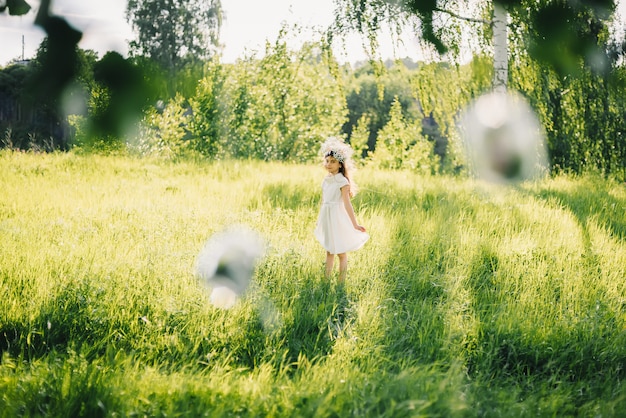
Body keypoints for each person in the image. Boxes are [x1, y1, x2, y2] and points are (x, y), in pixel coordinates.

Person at [314, 137, 369, 282]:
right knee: (329, 250)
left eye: (333, 161)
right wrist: (319, 220)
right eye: (327, 161)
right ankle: (325, 281)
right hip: (327, 217)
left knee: (341, 252)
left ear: (340, 164)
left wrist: (355, 224)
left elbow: (347, 204)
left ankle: (341, 282)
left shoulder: (342, 182)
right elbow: (324, 201)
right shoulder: (326, 180)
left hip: (337, 218)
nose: (329, 164)